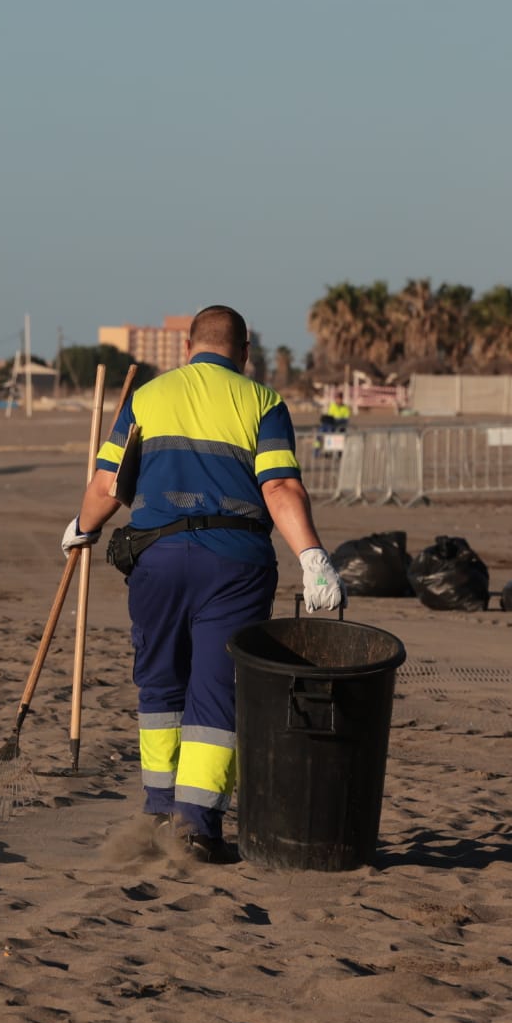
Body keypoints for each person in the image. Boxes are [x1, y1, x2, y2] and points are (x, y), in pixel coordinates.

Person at [61, 305, 345, 864]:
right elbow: (281, 487)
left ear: (188, 347)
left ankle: (158, 809)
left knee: (161, 684)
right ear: (245, 354)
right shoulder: (262, 401)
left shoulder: (149, 396)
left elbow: (108, 483)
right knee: (215, 688)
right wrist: (313, 558)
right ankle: (196, 826)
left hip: (156, 560)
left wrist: (81, 528)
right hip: (234, 565)